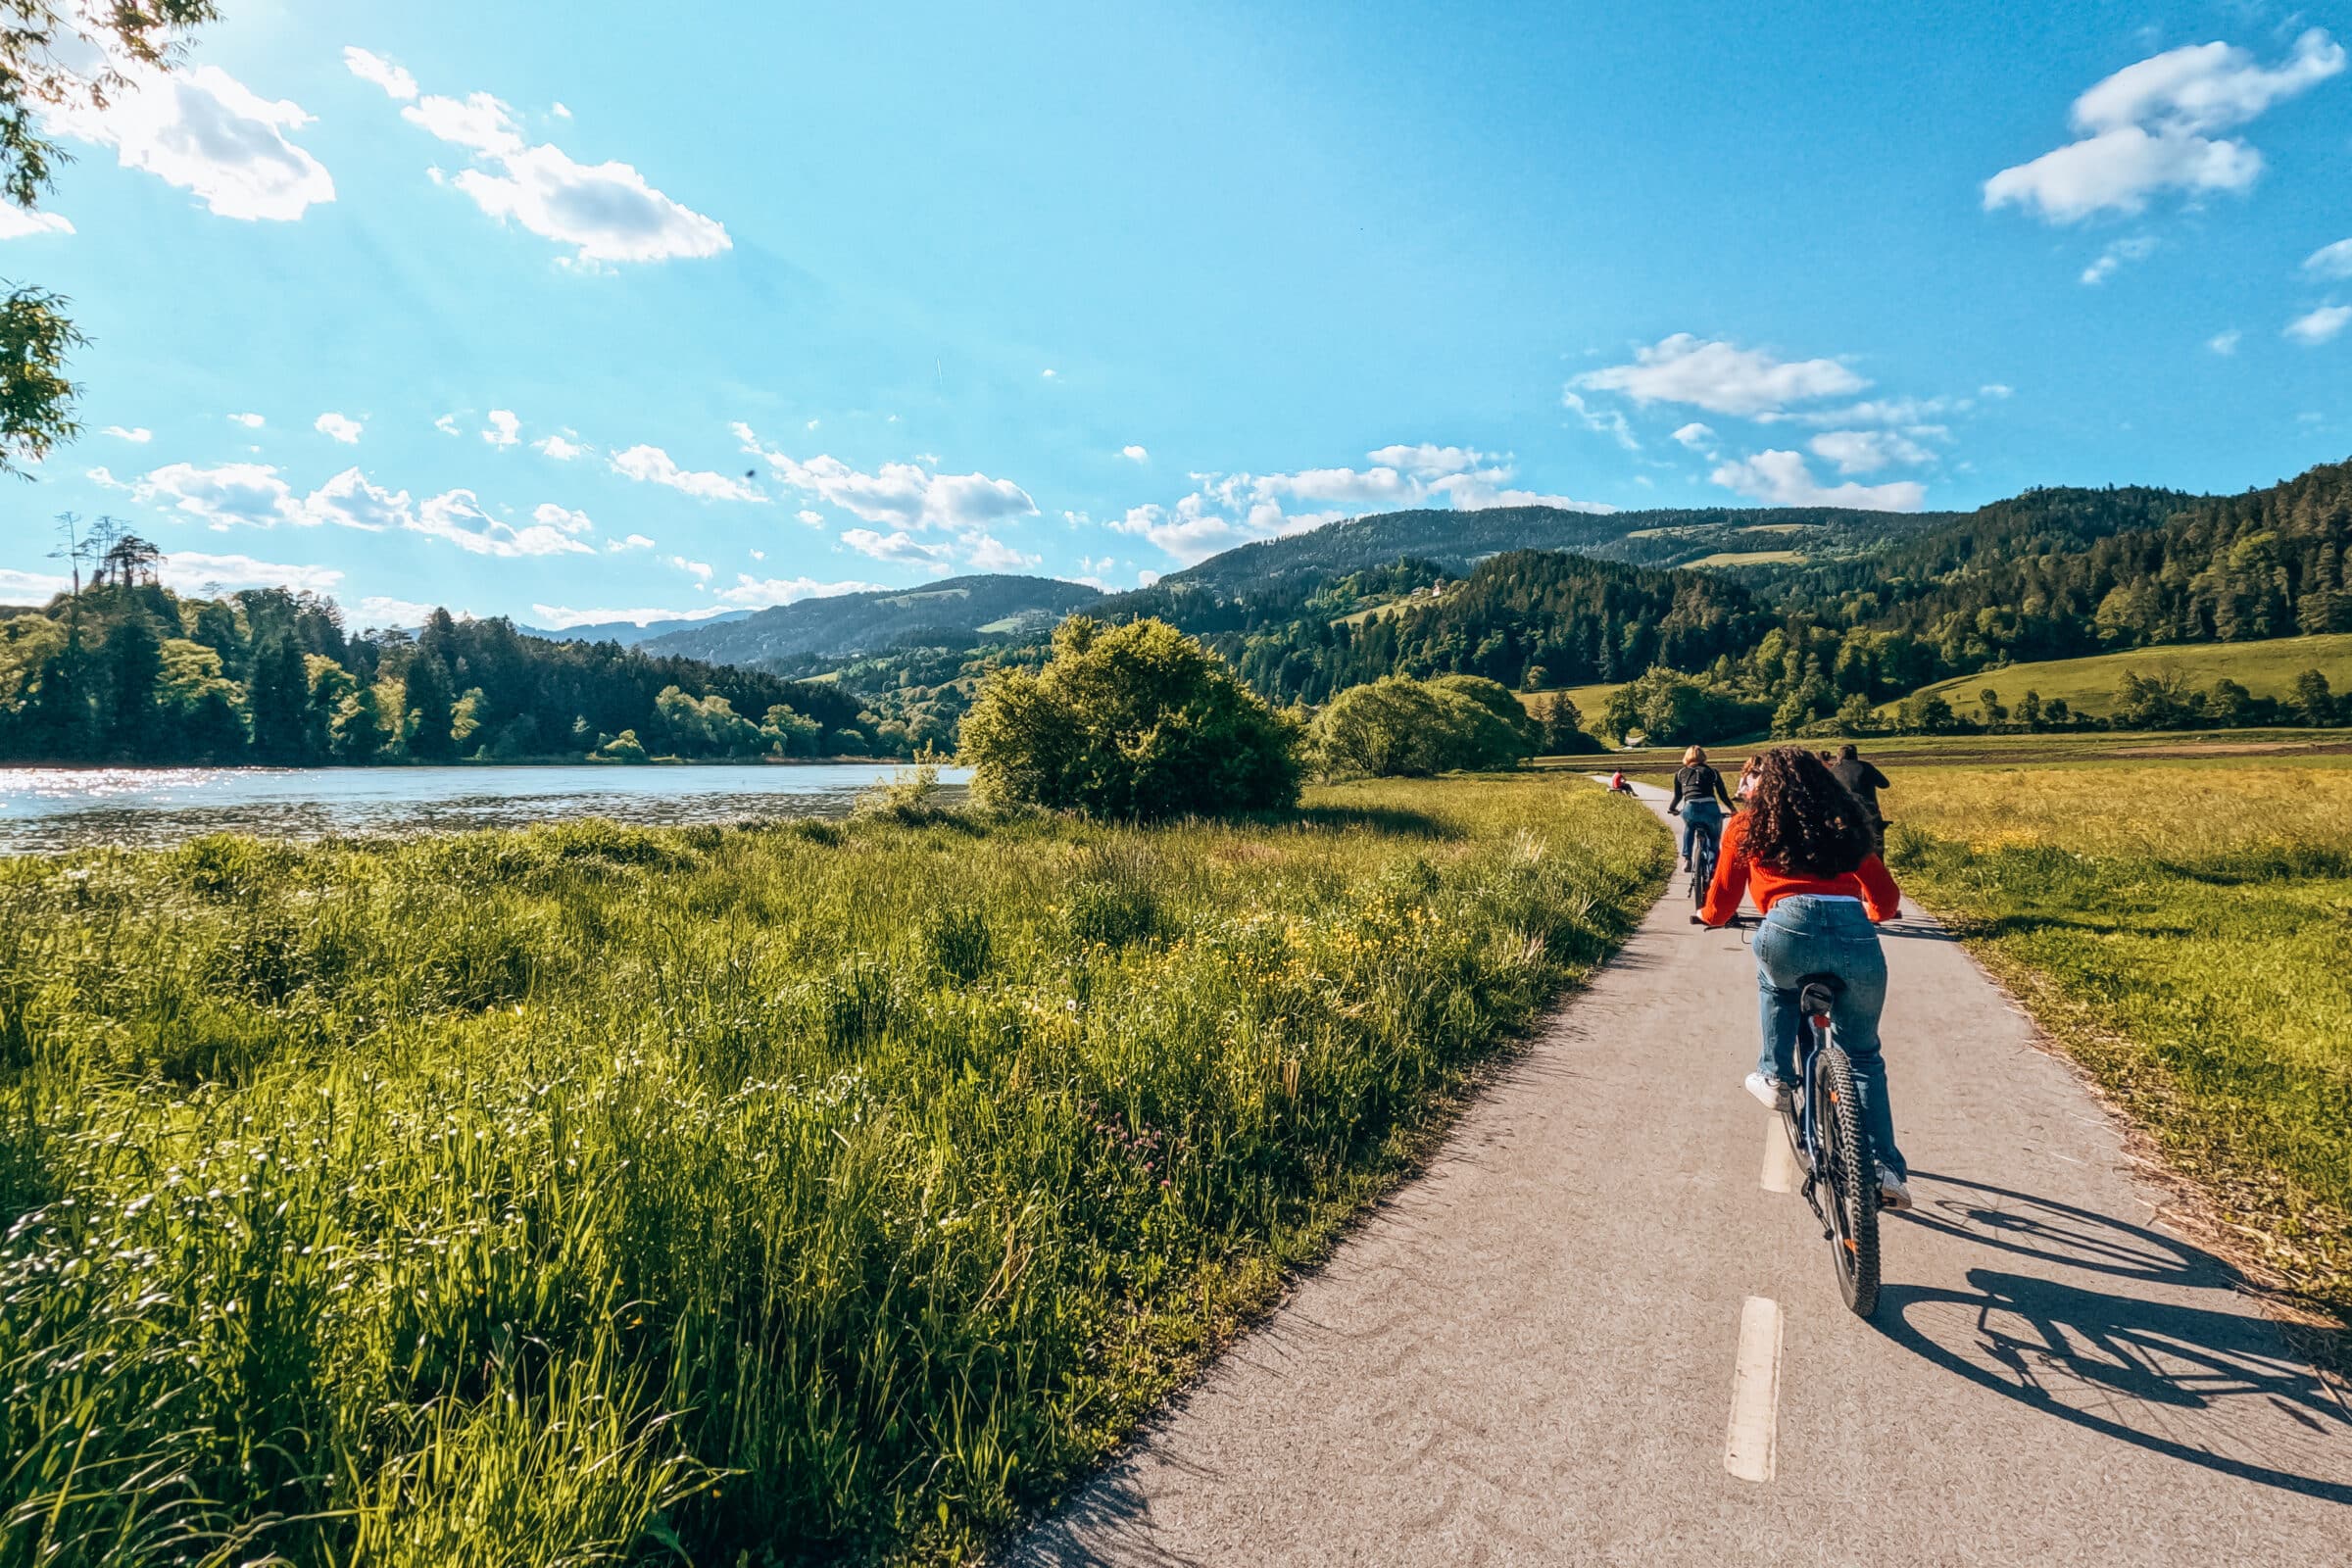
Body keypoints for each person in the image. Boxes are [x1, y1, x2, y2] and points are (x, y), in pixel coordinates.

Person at [1695, 746, 1912, 1210]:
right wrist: (1872, 912)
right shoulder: (1844, 827)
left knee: (1777, 984)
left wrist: (1707, 915)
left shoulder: (1746, 826)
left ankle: (1776, 1075)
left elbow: (1721, 905)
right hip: (1856, 938)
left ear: (1762, 785)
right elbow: (1887, 901)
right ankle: (1885, 1168)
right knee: (1863, 1056)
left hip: (1787, 931)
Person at [1666, 744, 1735, 872]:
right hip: (1710, 807)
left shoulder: (1680, 773)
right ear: (1703, 757)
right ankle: (1713, 867)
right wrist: (1732, 809)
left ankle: (1687, 858)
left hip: (1690, 807)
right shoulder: (1713, 772)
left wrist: (1672, 809)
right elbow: (1722, 794)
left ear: (1686, 758)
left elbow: (1678, 796)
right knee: (1714, 838)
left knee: (1690, 826)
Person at [1829, 742, 1893, 854]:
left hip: (1843, 814)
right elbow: (1885, 784)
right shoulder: (1866, 766)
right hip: (1870, 811)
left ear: (1839, 756)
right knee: (1876, 846)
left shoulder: (1833, 770)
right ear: (1856, 755)